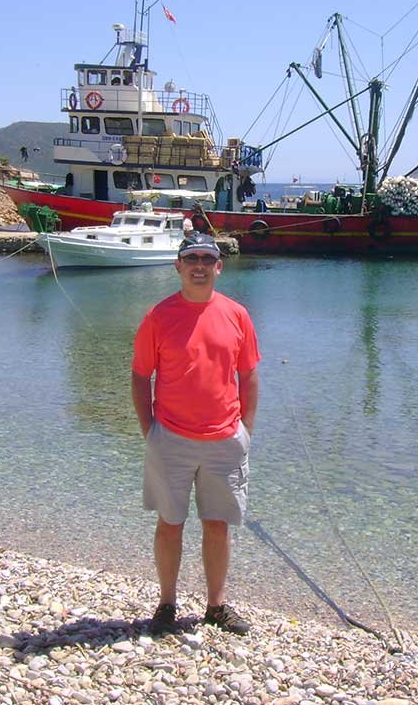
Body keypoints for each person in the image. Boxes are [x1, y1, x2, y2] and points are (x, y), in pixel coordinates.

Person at [131, 233, 260, 636]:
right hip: (170, 438)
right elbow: (139, 376)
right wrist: (149, 430)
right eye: (192, 259)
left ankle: (215, 606)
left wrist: (246, 432)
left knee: (217, 523)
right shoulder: (158, 315)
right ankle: (167, 603)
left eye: (208, 258)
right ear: (179, 266)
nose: (200, 265)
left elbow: (249, 375)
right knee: (170, 523)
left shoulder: (237, 315)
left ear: (219, 266)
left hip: (225, 440)